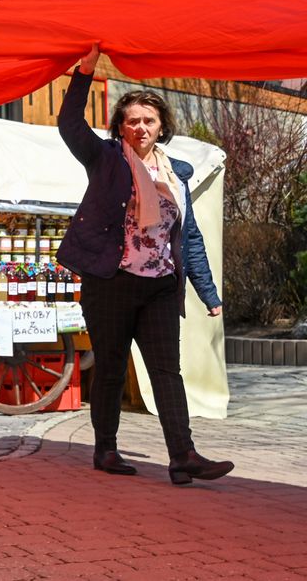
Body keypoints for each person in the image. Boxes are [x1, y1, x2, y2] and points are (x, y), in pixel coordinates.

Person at [58, 43, 232, 485]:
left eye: (148, 120)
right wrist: (85, 72)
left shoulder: (178, 173)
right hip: (111, 282)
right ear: (120, 126)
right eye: (132, 120)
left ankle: (183, 455)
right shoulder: (106, 160)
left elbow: (187, 236)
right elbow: (70, 125)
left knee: (167, 371)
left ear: (161, 127)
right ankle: (106, 449)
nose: (140, 127)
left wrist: (208, 294)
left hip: (159, 285)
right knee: (112, 367)